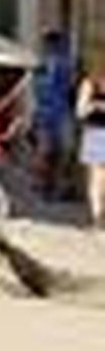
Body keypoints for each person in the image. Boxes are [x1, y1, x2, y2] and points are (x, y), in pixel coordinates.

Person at [34, 31, 76, 200]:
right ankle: (52, 185)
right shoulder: (61, 64)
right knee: (59, 151)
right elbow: (69, 87)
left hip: (52, 113)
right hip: (57, 113)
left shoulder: (48, 65)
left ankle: (50, 186)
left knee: (51, 152)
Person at [75, 55, 105, 228]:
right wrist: (94, 106)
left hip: (97, 134)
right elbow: (79, 112)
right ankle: (96, 217)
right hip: (95, 133)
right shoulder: (90, 83)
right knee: (95, 178)